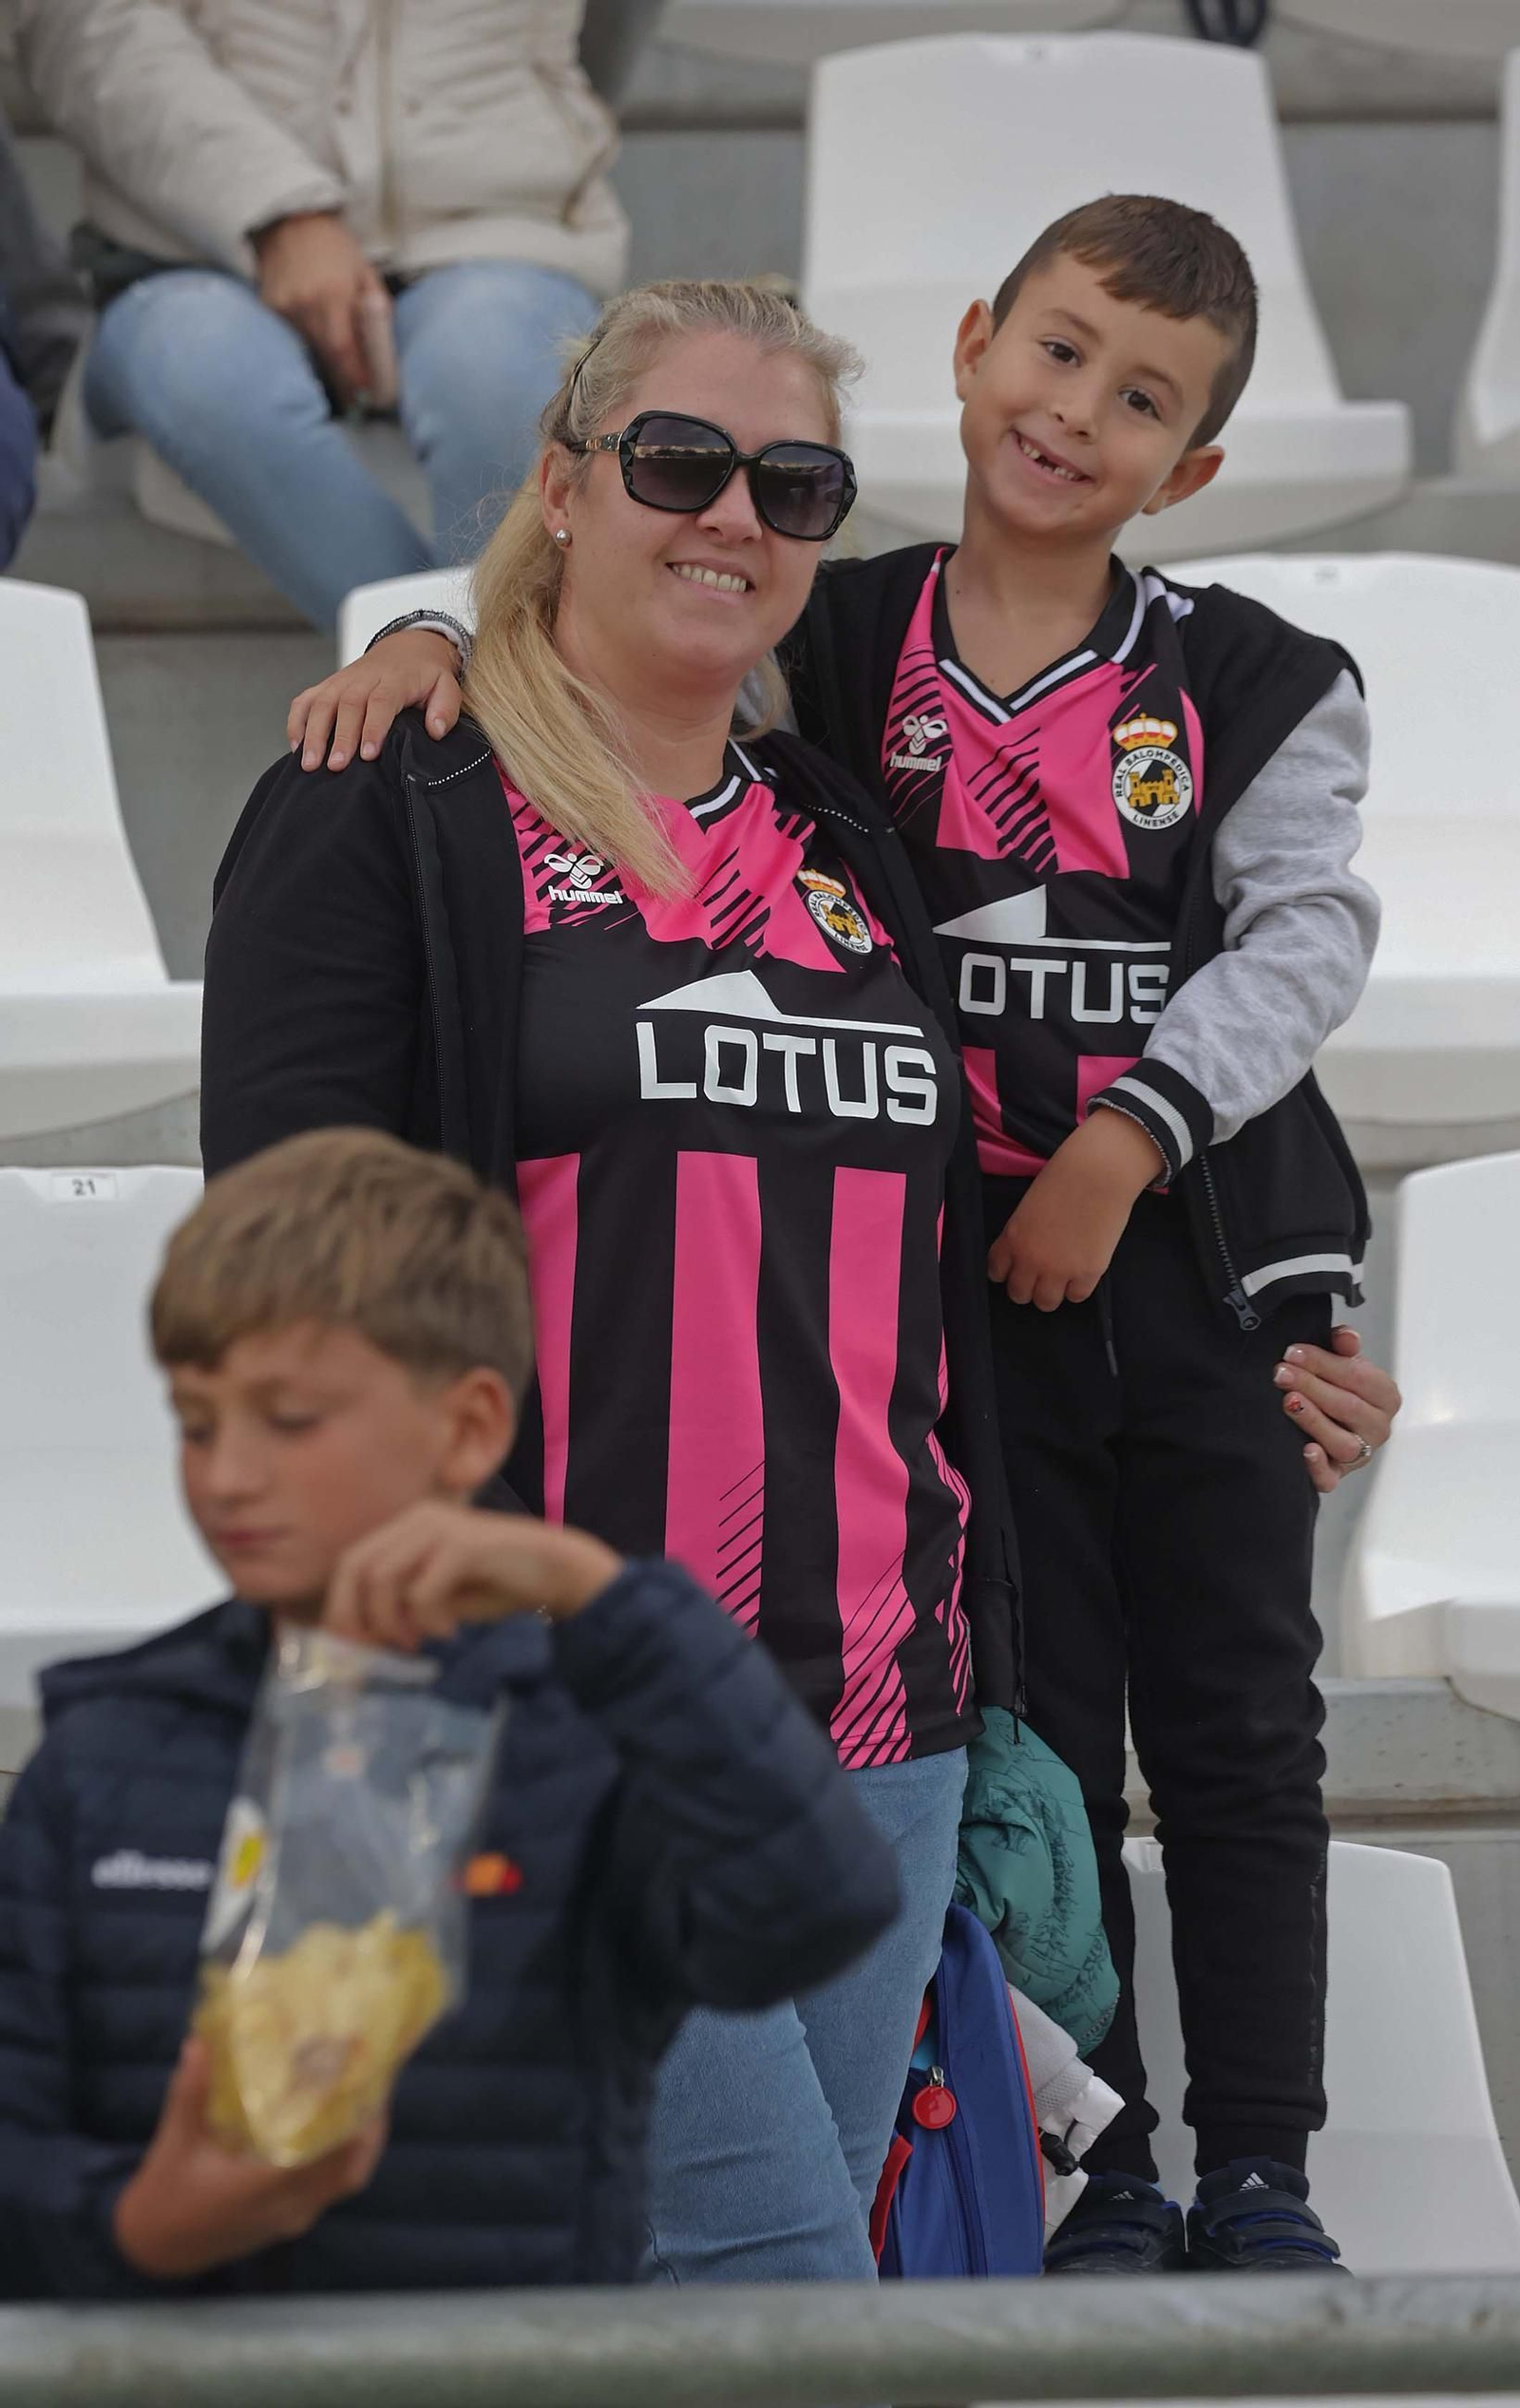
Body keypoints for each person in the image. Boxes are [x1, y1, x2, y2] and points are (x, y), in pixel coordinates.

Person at [313, 207, 1406, 2275]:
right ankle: (1126, 2155)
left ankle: (1256, 2162)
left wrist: (1202, 1198)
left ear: (1187, 469)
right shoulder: (832, 626)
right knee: (1045, 1750)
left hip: (1136, 1290)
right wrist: (422, 645)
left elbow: (1306, 949)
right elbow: (601, 619)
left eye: (1139, 395)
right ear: (976, 343)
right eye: (1055, 354)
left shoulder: (1249, 677)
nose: (1075, 411)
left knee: (1240, 1734)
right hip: (918, 1342)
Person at [196, 279, 1022, 2289]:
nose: (732, 514)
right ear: (562, 486)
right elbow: (284, 1280)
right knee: (770, 2281)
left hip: (878, 1718)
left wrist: (1280, 1313)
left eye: (792, 483)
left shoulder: (838, 831)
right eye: (678, 462)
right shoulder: (389, 794)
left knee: (678, 2286)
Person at [0, 1128, 900, 2301]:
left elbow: (816, 1913)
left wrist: (603, 1598)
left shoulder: (574, 1747)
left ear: (469, 1427)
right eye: (197, 1419)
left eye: (290, 1419)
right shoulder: (105, 1753)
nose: (223, 1476)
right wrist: (146, 2227)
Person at [12, 0, 624, 628]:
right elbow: (90, 23)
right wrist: (276, 208)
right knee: (206, 370)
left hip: (501, 225)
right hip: (188, 241)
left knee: (493, 375)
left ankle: (482, 683)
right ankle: (470, 678)